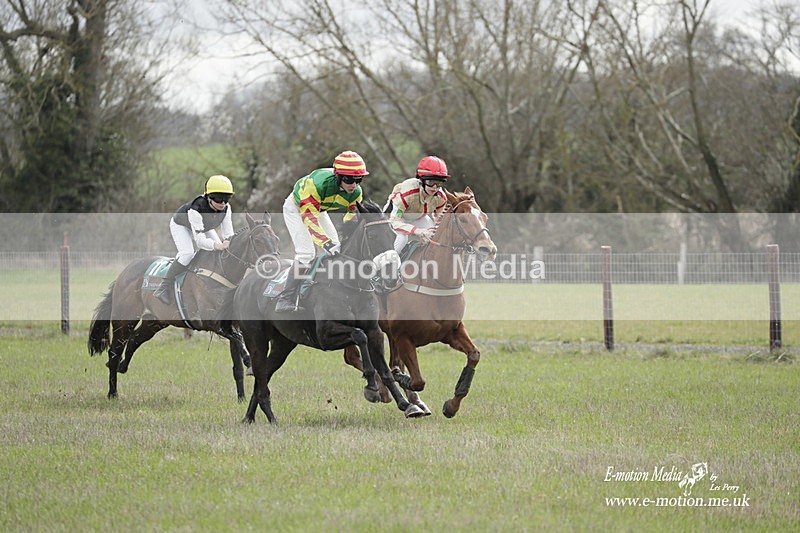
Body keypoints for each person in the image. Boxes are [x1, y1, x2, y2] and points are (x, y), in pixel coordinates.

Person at [274, 150, 368, 312]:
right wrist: (325, 242)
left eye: (358, 179)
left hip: (319, 208)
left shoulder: (356, 193)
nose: (354, 184)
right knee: (306, 253)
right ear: (338, 176)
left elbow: (351, 218)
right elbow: (309, 219)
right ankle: (285, 298)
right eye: (349, 179)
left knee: (337, 248)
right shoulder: (317, 185)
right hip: (297, 208)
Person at [154, 175, 235, 305]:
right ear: (209, 197)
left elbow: (228, 233)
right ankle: (163, 287)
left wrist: (229, 242)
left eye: (227, 198)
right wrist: (217, 245)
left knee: (219, 250)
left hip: (204, 226)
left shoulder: (227, 208)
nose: (223, 203)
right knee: (187, 254)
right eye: (219, 198)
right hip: (181, 225)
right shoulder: (196, 209)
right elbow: (200, 241)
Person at [384, 155, 449, 254]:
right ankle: (389, 264)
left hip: (418, 218)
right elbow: (394, 221)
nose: (435, 187)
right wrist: (417, 231)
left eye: (438, 183)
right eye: (430, 182)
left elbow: (439, 220)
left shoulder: (441, 198)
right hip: (394, 218)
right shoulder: (408, 194)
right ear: (421, 180)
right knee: (402, 239)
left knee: (432, 236)